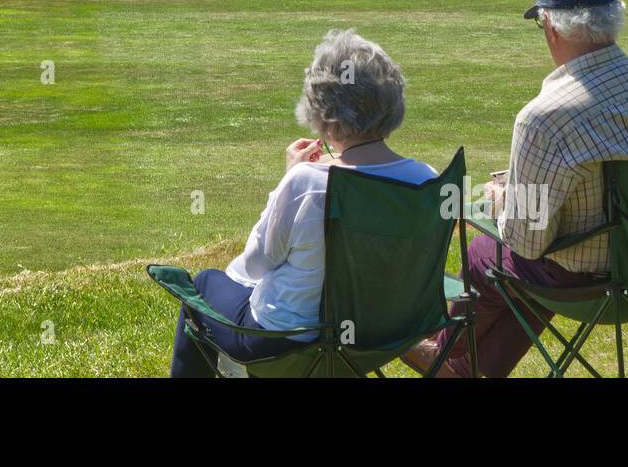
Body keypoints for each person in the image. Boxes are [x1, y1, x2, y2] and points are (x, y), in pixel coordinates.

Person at [403, 0, 628, 378]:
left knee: (490, 255)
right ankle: (469, 368)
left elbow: (526, 240)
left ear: (552, 28)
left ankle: (447, 358)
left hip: (595, 280)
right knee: (536, 264)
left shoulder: (544, 116)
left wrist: (503, 200)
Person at [170, 29, 438, 377]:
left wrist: (287, 180)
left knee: (204, 283)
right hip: (380, 336)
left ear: (324, 114)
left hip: (287, 342)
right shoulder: (427, 180)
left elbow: (255, 265)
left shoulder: (307, 183)